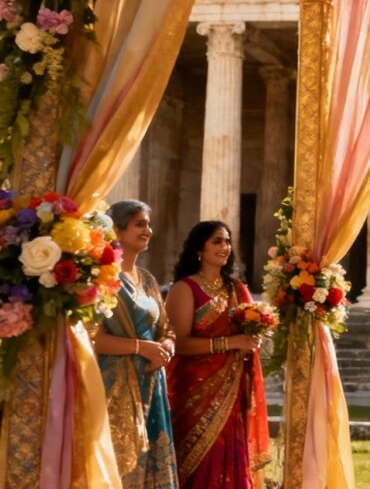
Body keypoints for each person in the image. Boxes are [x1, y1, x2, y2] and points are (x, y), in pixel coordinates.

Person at [164, 221, 269, 488]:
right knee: (198, 464)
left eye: (227, 241)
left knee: (230, 457)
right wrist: (229, 343)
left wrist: (251, 340)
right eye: (217, 241)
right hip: (193, 393)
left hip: (232, 394)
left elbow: (246, 335)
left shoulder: (237, 289)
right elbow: (179, 344)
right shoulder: (184, 289)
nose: (225, 247)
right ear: (200, 248)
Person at [93, 200, 179, 488]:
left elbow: (167, 329)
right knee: (120, 462)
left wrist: (166, 347)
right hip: (115, 385)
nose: (149, 230)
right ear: (116, 230)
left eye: (148, 224)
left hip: (153, 383)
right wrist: (142, 348)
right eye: (140, 224)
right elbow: (93, 338)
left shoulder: (149, 280)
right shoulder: (102, 278)